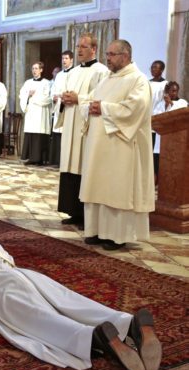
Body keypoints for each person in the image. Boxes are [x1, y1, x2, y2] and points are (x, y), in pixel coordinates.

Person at [0, 241, 162, 370]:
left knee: (39, 319)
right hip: (23, 274)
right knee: (68, 301)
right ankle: (126, 322)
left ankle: (92, 338)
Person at [80, 39, 155, 251]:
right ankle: (95, 231)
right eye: (107, 54)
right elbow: (90, 101)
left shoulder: (137, 80)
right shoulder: (107, 78)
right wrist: (90, 107)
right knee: (98, 186)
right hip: (98, 146)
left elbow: (135, 109)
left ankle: (117, 235)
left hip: (121, 146)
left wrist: (103, 108)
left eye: (112, 54)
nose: (108, 58)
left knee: (116, 188)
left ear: (125, 56)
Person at [56, 33, 108, 228]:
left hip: (86, 126)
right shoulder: (74, 71)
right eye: (78, 46)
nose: (79, 50)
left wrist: (79, 99)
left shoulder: (101, 71)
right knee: (70, 165)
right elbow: (68, 93)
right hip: (71, 122)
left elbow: (99, 97)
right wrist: (64, 99)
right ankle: (73, 211)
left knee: (83, 166)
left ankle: (86, 214)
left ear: (93, 49)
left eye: (83, 47)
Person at [152, 81, 188, 179]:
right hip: (160, 142)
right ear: (167, 92)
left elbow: (180, 116)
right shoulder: (160, 104)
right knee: (157, 168)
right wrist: (165, 105)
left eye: (175, 91)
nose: (173, 93)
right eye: (171, 91)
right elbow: (156, 117)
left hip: (176, 141)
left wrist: (170, 104)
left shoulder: (182, 102)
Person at [19, 61, 52, 165]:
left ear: (41, 70)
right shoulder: (27, 82)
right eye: (33, 68)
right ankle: (31, 158)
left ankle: (40, 159)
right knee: (31, 135)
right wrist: (28, 95)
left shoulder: (47, 83)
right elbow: (22, 95)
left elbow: (48, 98)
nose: (34, 70)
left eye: (36, 68)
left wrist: (33, 98)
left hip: (41, 113)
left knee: (39, 135)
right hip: (31, 113)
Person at [48, 50, 74, 166]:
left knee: (67, 133)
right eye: (63, 58)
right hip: (58, 106)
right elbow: (54, 89)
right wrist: (53, 97)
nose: (64, 60)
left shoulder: (75, 73)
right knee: (57, 134)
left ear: (71, 60)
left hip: (69, 106)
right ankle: (57, 160)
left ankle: (66, 161)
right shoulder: (59, 75)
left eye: (66, 58)